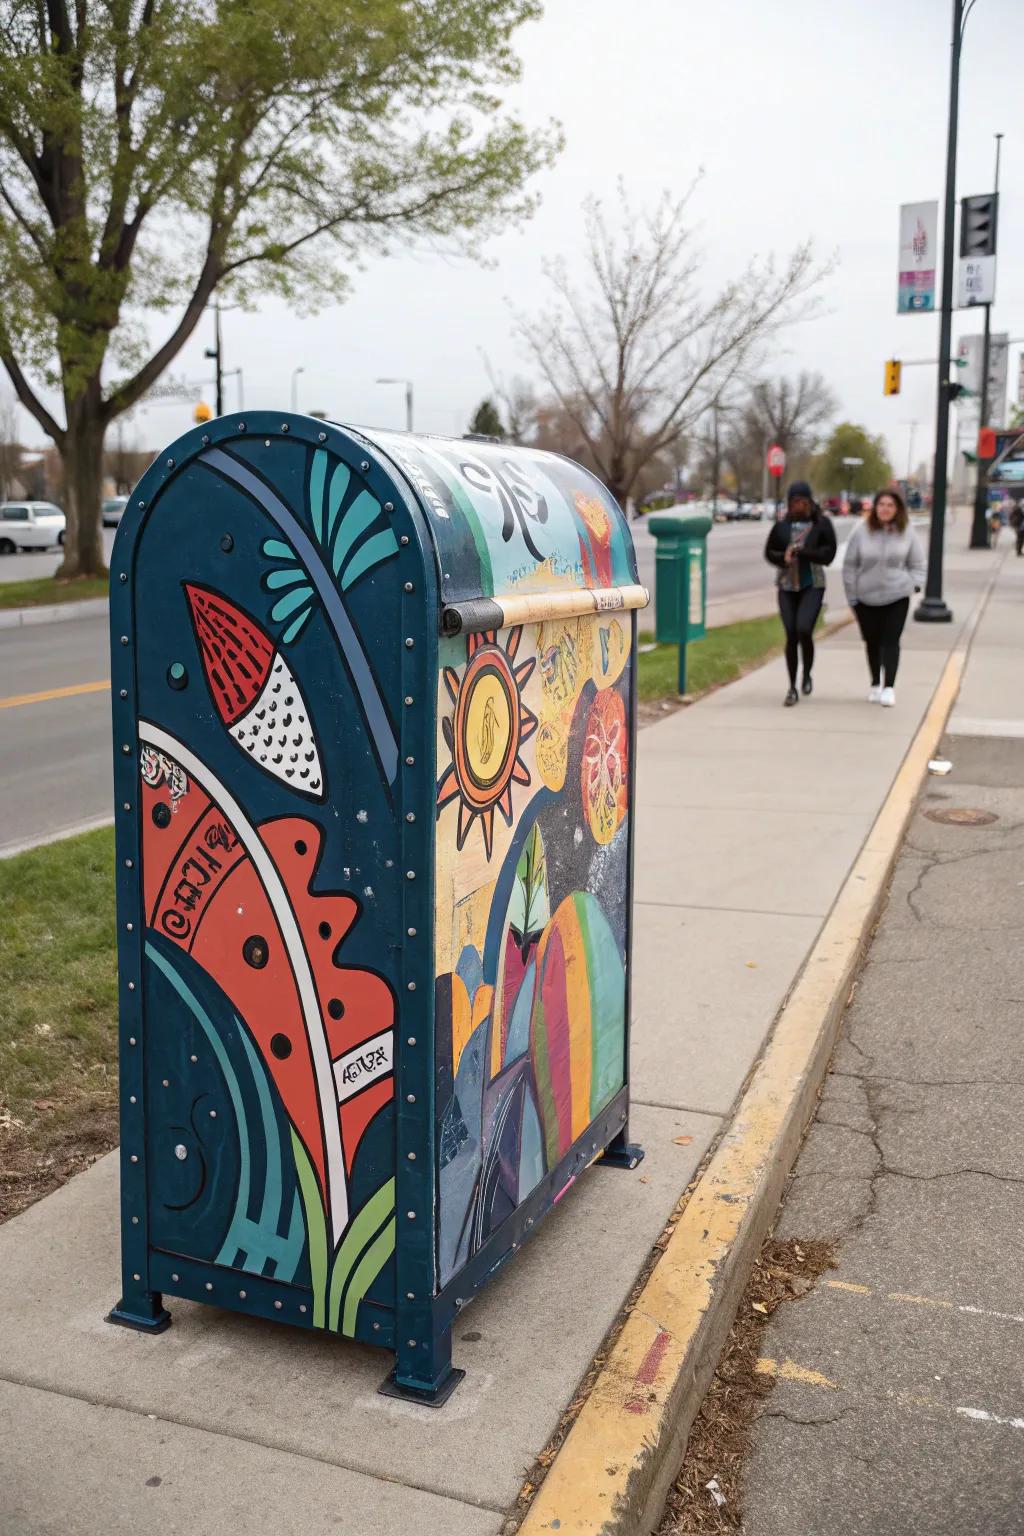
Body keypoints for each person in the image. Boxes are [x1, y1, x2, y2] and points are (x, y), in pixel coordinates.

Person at [843, 488, 926, 707]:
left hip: (897, 595)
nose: (885, 509)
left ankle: (889, 687)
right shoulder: (861, 532)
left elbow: (917, 563)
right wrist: (852, 596)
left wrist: (915, 585)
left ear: (897, 509)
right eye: (882, 505)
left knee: (891, 640)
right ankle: (875, 683)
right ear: (875, 507)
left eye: (890, 505)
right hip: (865, 598)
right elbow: (849, 566)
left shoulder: (906, 532)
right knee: (872, 641)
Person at [764, 480, 837, 706]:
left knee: (804, 629)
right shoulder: (781, 527)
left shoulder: (821, 524)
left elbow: (829, 554)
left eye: (801, 501)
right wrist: (782, 558)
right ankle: (792, 687)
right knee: (791, 634)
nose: (797, 506)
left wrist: (805, 552)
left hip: (812, 584)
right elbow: (769, 552)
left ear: (809, 501)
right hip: (787, 585)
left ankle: (807, 673)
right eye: (793, 501)